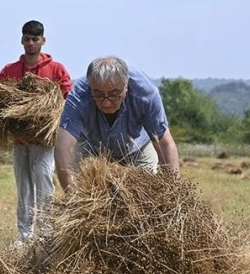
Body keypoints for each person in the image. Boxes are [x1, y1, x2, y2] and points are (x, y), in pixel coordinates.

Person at [0, 20, 72, 244]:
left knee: (43, 178)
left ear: (43, 41)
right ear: (21, 40)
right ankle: (25, 235)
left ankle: (46, 233)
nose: (30, 43)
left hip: (45, 140)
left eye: (35, 39)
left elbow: (68, 95)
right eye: (27, 39)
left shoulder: (56, 69)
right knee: (24, 186)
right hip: (20, 141)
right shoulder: (10, 71)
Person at [54, 56, 180, 192]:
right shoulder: (78, 95)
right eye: (98, 94)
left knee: (144, 198)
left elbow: (164, 144)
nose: (106, 103)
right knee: (87, 196)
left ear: (126, 86)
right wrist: (73, 196)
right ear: (90, 87)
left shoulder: (145, 94)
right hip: (91, 147)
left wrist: (174, 193)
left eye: (114, 95)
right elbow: (63, 148)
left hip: (138, 148)